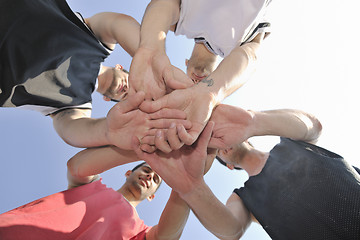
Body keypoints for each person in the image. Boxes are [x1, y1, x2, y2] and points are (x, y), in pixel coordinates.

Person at [133, 105, 360, 240]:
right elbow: (231, 229)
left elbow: (314, 126)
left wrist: (253, 120)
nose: (220, 144)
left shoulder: (290, 141)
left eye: (219, 136)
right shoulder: (245, 198)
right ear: (229, 166)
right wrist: (192, 187)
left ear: (246, 138)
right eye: (216, 149)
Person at [0, 0, 191, 149]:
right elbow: (118, 25)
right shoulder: (98, 40)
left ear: (109, 100)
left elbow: (74, 130)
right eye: (137, 85)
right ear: (119, 66)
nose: (129, 90)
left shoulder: (76, 106)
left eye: (132, 97)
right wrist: (153, 60)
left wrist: (107, 132)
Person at [129, 0, 272, 149]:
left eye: (191, 83)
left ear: (186, 62)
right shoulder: (239, 43)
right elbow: (252, 54)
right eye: (196, 86)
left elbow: (164, 4)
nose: (196, 83)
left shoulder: (182, 22)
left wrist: (150, 47)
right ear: (217, 70)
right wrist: (210, 92)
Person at [0, 148, 191, 240]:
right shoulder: (91, 185)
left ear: (151, 196)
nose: (150, 176)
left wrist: (186, 180)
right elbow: (76, 166)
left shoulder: (141, 232)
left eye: (156, 180)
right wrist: (144, 151)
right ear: (128, 173)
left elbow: (168, 235)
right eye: (147, 170)